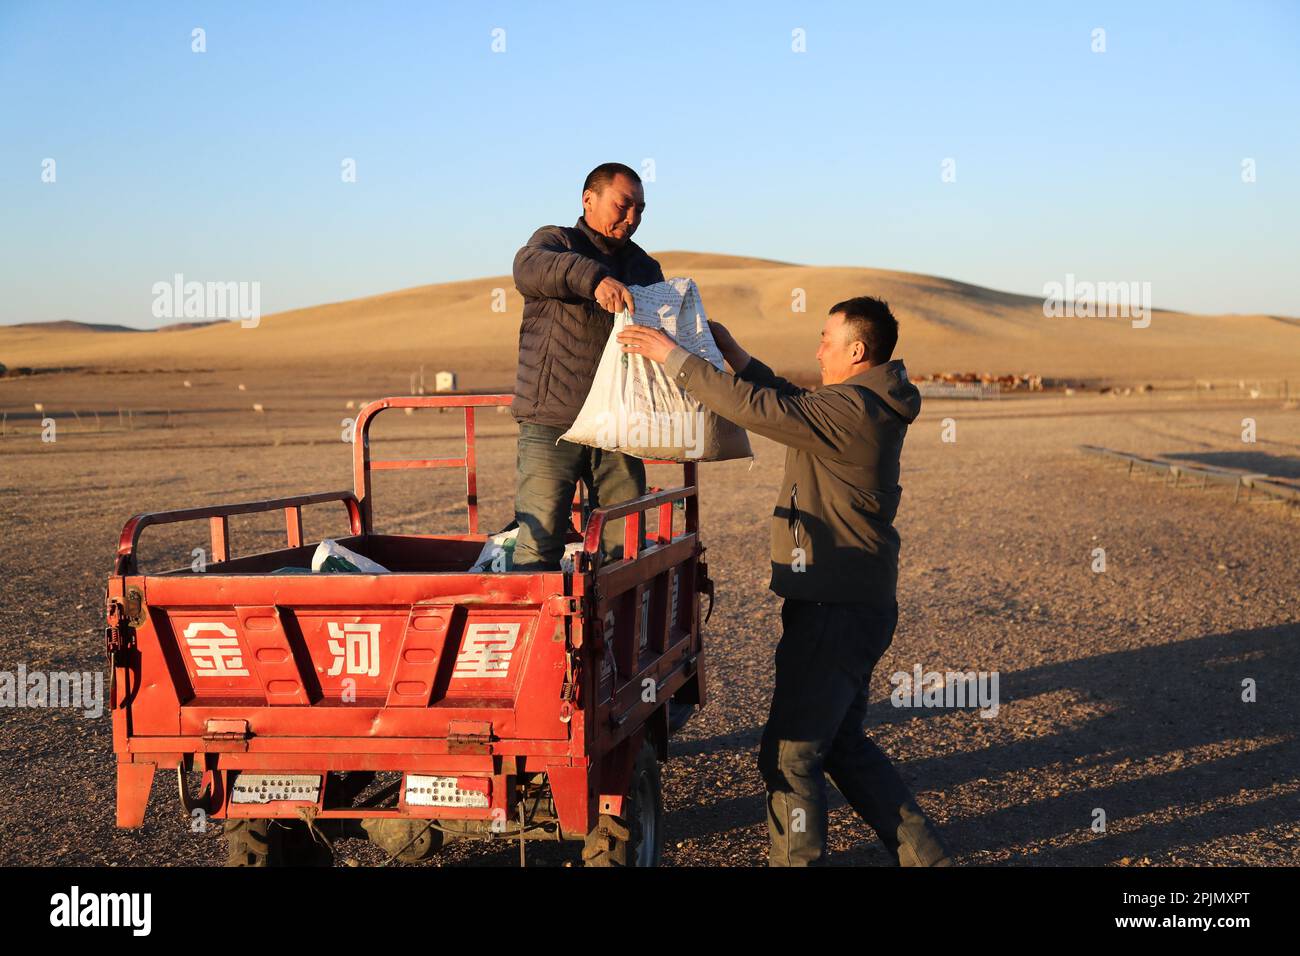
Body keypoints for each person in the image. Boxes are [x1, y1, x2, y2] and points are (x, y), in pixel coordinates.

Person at [616, 297, 953, 866]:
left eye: (826, 339)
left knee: (790, 756)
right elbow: (790, 403)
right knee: (840, 745)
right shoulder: (862, 400)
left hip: (834, 607)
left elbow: (761, 412)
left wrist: (674, 357)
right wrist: (739, 357)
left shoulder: (856, 413)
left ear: (856, 351)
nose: (817, 350)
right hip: (847, 601)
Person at [509, 162, 664, 570]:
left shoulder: (644, 268)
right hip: (552, 421)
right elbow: (528, 267)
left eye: (641, 210)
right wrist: (593, 279)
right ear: (588, 199)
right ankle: (549, 634)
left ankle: (614, 630)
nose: (632, 218)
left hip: (618, 426)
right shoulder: (555, 242)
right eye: (624, 204)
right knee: (539, 543)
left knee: (624, 544)